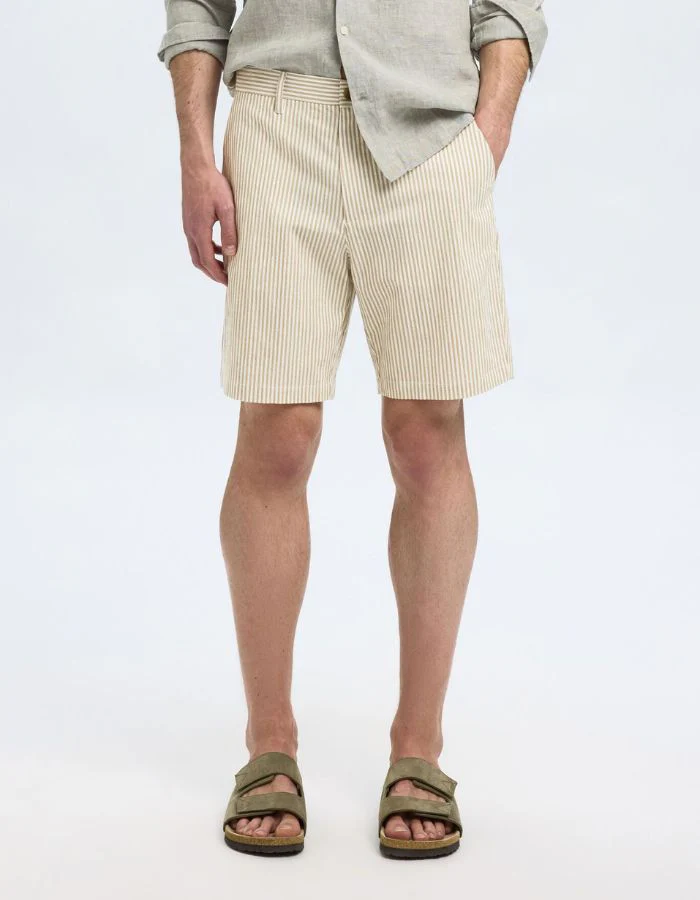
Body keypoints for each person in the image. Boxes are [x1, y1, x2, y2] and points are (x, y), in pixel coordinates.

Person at [158, 0, 548, 860]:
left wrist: (486, 136)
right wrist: (195, 151)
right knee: (278, 431)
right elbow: (197, 8)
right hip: (276, 127)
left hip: (431, 131)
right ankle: (269, 741)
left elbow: (511, 7)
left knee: (426, 434)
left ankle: (420, 746)